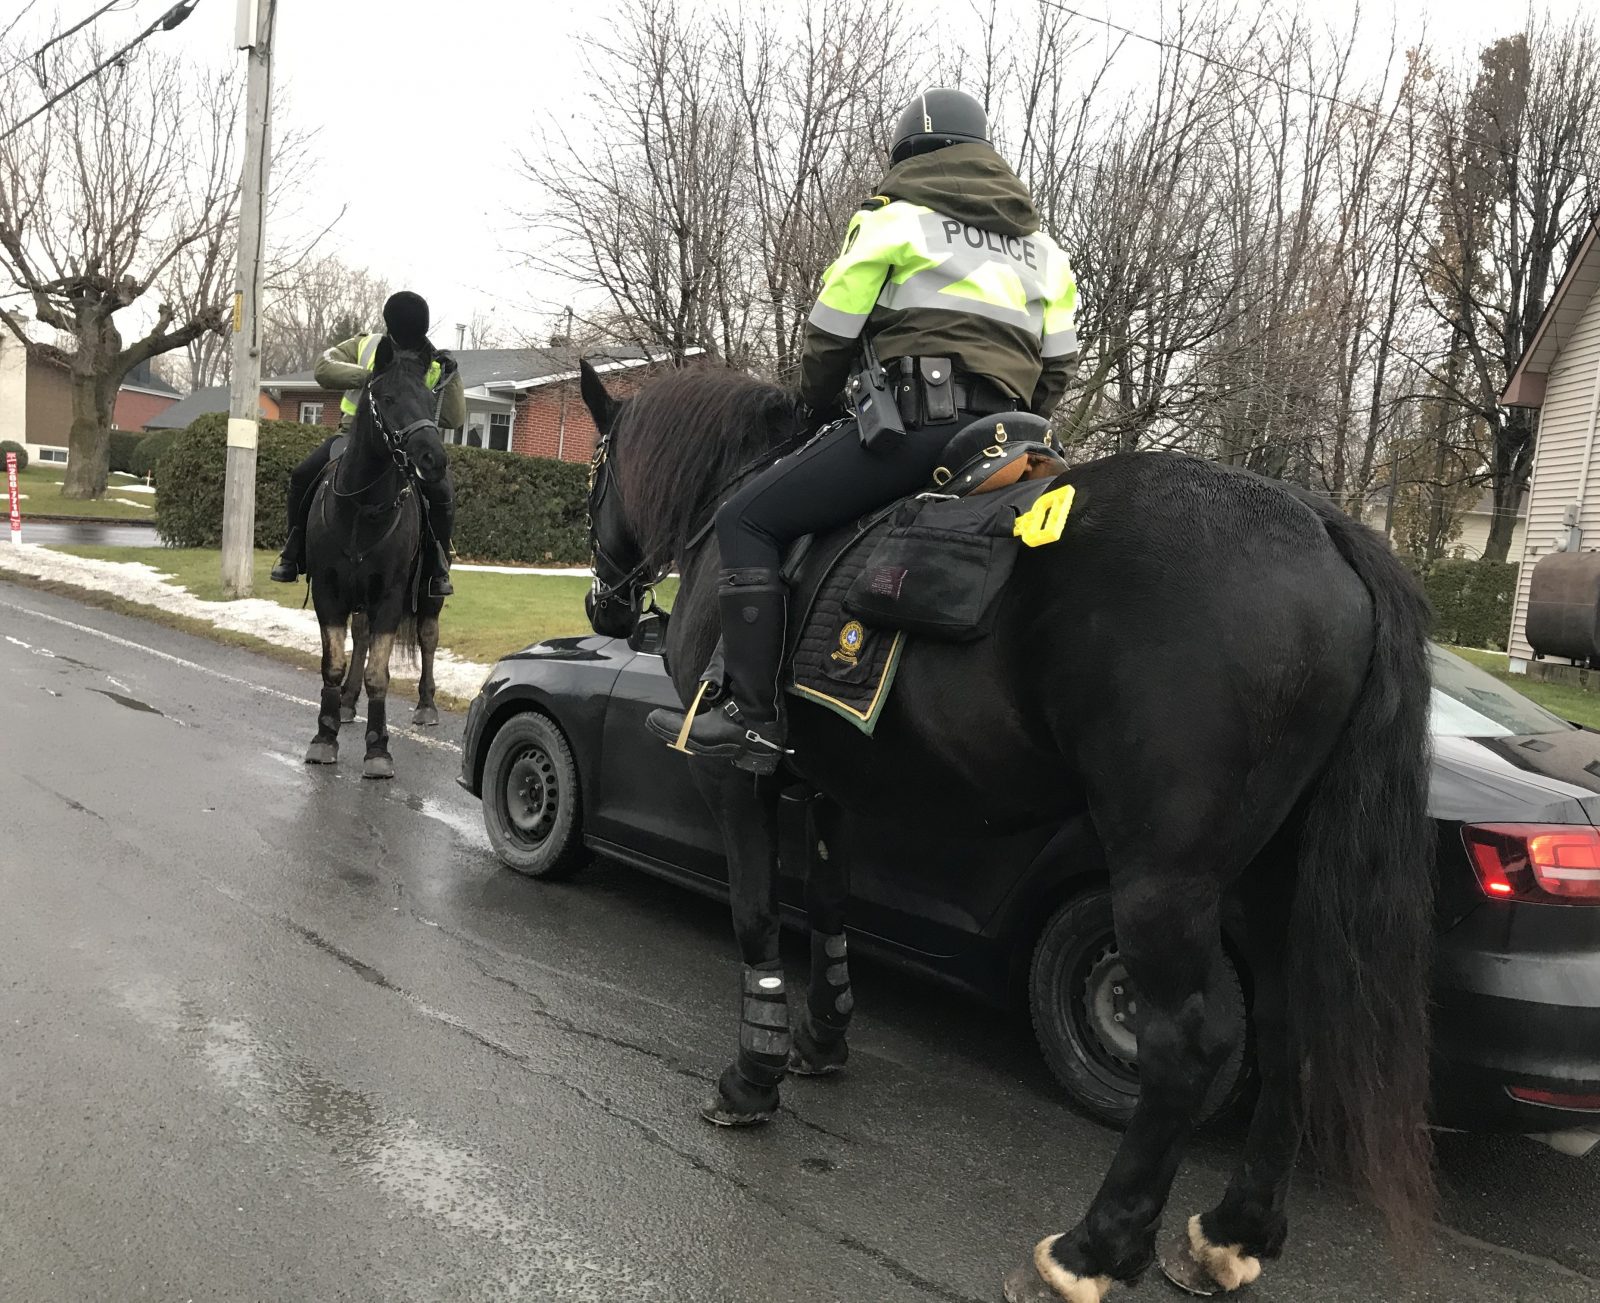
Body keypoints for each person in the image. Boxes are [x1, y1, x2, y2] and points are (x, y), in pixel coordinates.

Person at [649, 87, 1079, 773]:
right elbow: (1057, 367)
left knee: (746, 520)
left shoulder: (892, 218)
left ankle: (752, 719)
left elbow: (831, 334)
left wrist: (813, 407)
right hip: (1011, 442)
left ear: (910, 154)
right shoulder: (1044, 251)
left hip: (917, 431)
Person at [270, 290, 466, 596]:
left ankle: (437, 566)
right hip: (353, 437)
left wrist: (453, 377)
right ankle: (293, 551)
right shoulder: (366, 345)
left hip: (405, 449)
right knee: (302, 474)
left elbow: (453, 418)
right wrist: (372, 377)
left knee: (442, 491)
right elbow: (324, 368)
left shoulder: (432, 361)